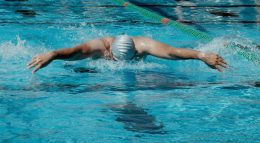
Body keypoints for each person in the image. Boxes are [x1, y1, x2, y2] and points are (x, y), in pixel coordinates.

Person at [27, 35, 228, 73]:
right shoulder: (99, 46)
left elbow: (173, 52)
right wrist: (52, 54)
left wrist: (202, 55)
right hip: (91, 71)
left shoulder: (144, 44)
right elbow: (74, 52)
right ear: (111, 52)